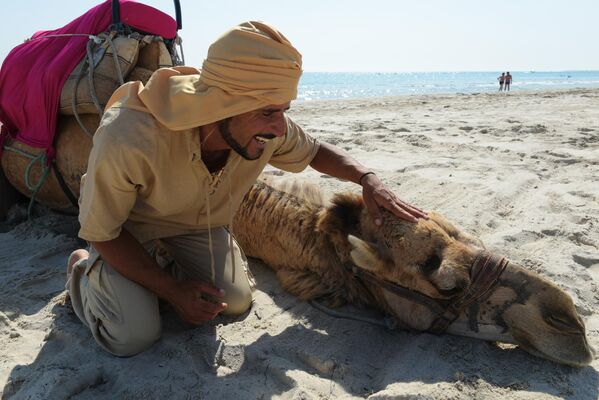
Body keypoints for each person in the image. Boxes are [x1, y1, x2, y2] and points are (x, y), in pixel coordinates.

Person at [66, 21, 428, 357]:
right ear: (220, 105)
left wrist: (367, 179)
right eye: (268, 112)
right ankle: (82, 274)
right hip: (128, 230)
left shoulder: (265, 128)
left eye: (283, 110)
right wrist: (173, 291)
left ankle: (156, 271)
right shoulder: (129, 135)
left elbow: (315, 151)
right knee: (134, 337)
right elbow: (103, 233)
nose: (279, 127)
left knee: (235, 302)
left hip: (196, 224)